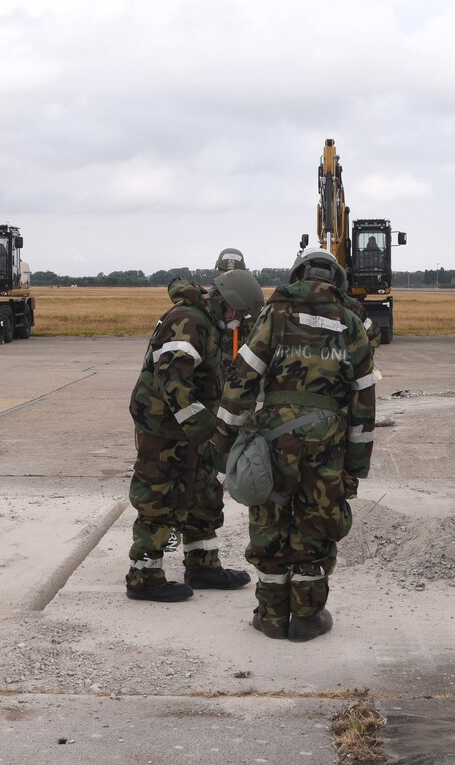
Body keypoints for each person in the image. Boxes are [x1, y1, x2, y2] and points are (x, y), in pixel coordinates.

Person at [219, 249, 377, 642]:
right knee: (317, 521)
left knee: (270, 517)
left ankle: (271, 616)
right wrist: (354, 469)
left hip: (274, 437)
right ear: (337, 280)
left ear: (296, 276)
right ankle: (307, 617)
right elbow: (364, 403)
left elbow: (242, 379)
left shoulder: (274, 316)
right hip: (328, 441)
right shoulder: (353, 324)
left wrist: (225, 443)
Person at [125, 271, 262, 601]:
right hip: (164, 429)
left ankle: (203, 565)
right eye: (238, 314)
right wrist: (205, 429)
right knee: (159, 498)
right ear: (225, 304)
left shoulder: (206, 322)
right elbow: (172, 378)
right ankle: (144, 576)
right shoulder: (189, 321)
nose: (237, 322)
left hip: (190, 430)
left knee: (203, 493)